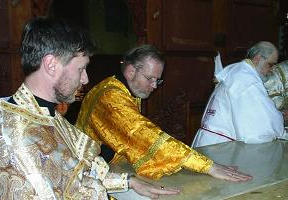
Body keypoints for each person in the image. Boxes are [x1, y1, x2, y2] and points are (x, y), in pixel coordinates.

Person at [0, 17, 181, 199]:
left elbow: (79, 173)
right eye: (81, 68)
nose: (85, 79)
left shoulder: (45, 114)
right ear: (51, 65)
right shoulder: (17, 135)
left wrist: (128, 182)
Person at [75, 45, 252, 182]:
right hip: (89, 175)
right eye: (150, 79)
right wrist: (206, 166)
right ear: (130, 71)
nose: (154, 86)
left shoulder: (116, 87)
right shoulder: (110, 97)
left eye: (157, 80)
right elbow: (143, 133)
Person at [192, 41, 286, 148]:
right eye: (270, 64)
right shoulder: (247, 80)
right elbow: (263, 125)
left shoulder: (238, 70)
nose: (272, 69)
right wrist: (281, 118)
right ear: (257, 58)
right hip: (218, 146)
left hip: (210, 141)